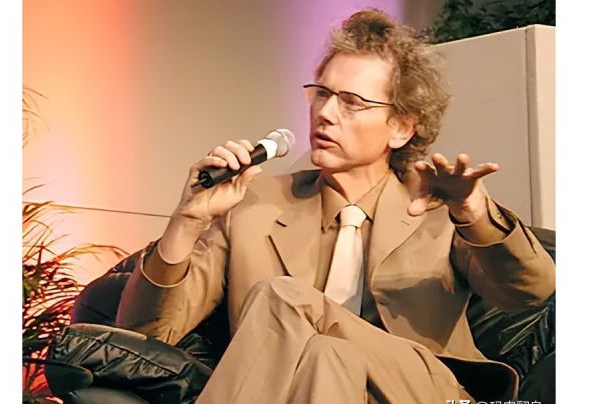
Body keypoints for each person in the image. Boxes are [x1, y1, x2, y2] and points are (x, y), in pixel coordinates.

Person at [116, 8, 555, 403]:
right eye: (322, 94)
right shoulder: (254, 205)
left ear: (401, 127)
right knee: (328, 356)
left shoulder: (438, 207)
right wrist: (188, 219)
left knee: (283, 296)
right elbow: (146, 333)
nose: (325, 113)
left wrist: (473, 212)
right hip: (315, 386)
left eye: (351, 103)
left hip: (420, 391)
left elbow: (532, 291)